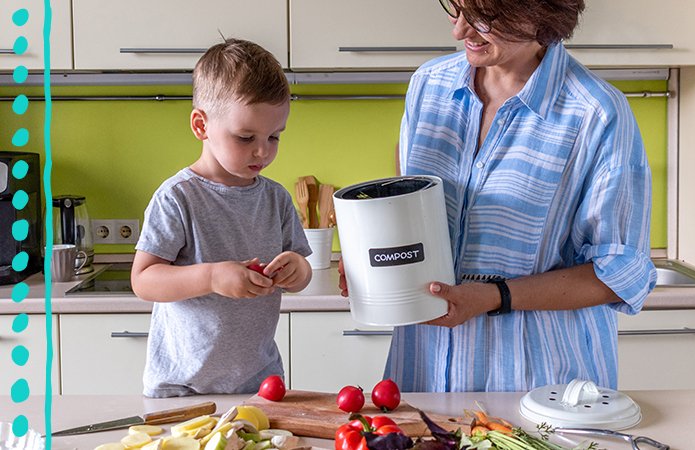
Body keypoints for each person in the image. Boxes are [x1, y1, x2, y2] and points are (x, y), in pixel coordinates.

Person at [340, 0, 657, 392]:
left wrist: (494, 296)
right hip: (423, 375)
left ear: (540, 11)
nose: (459, 32)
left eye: (482, 19)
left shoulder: (596, 113)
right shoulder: (429, 86)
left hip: (539, 387)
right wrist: (379, 265)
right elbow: (412, 208)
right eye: (455, 10)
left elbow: (618, 274)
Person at [131, 38, 312, 397]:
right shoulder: (177, 197)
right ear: (201, 125)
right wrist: (212, 276)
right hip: (182, 388)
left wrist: (298, 270)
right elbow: (144, 280)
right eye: (246, 137)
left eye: (274, 136)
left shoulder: (275, 198)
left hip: (259, 384)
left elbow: (301, 272)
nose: (263, 150)